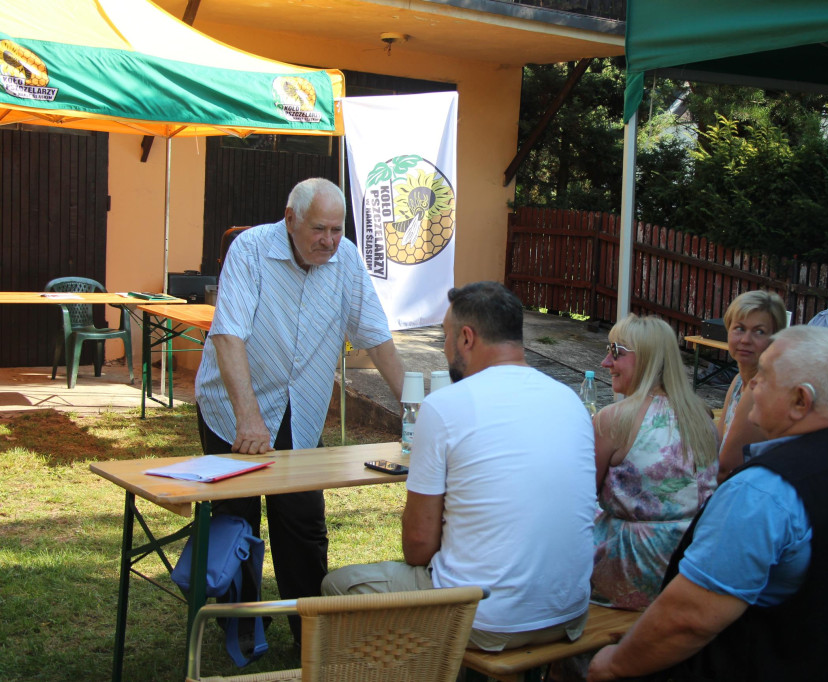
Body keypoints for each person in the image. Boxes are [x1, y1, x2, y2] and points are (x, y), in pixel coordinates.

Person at [587, 326, 828, 681]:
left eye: (764, 376)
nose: (750, 384)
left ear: (801, 400)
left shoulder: (764, 491)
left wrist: (614, 664)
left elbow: (688, 619)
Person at [322, 281, 596, 651]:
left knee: (337, 586)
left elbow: (418, 547)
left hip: (485, 620)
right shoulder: (570, 402)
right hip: (568, 613)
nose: (444, 347)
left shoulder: (445, 407)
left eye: (445, 337)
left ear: (467, 338)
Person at [194, 177, 405, 644]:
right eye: (318, 229)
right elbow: (228, 336)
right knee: (236, 522)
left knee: (303, 526)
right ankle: (241, 629)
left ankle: (311, 633)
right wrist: (248, 418)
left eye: (336, 229)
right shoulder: (250, 251)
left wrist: (417, 405)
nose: (329, 240)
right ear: (290, 220)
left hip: (301, 410)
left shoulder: (346, 258)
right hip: (233, 409)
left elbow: (375, 336)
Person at [590, 314, 718, 611]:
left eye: (616, 352)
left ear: (647, 359)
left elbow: (581, 497)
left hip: (633, 567)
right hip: (694, 565)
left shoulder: (614, 420)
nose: (605, 362)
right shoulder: (702, 417)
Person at [716, 290, 787, 482]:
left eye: (759, 332)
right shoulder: (739, 379)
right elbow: (719, 442)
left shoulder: (763, 388)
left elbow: (726, 469)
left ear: (775, 338)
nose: (745, 340)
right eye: (739, 328)